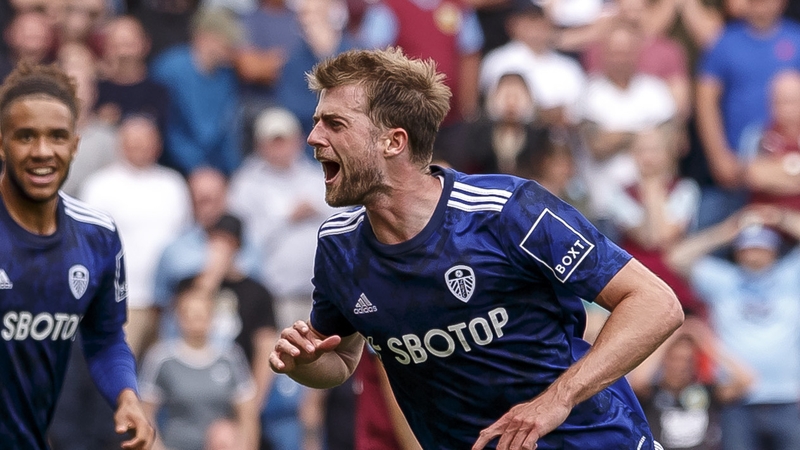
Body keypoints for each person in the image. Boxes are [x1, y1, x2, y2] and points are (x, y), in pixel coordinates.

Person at [269, 47, 684, 449]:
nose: (312, 137)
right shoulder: (338, 246)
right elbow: (340, 361)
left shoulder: (508, 211)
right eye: (317, 121)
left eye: (335, 124)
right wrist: (307, 364)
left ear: (393, 142)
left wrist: (555, 401)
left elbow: (655, 304)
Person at [0, 62, 154, 448]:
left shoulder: (97, 236)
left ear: (75, 144)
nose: (42, 152)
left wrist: (126, 396)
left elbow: (104, 337)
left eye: (56, 136)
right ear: (1, 142)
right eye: (25, 136)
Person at [666, 205, 800, 450]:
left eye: (760, 246)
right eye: (747, 246)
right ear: (737, 250)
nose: (754, 252)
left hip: (787, 398)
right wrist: (726, 231)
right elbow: (676, 258)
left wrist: (780, 218)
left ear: (774, 249)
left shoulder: (790, 276)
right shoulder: (724, 280)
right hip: (736, 401)